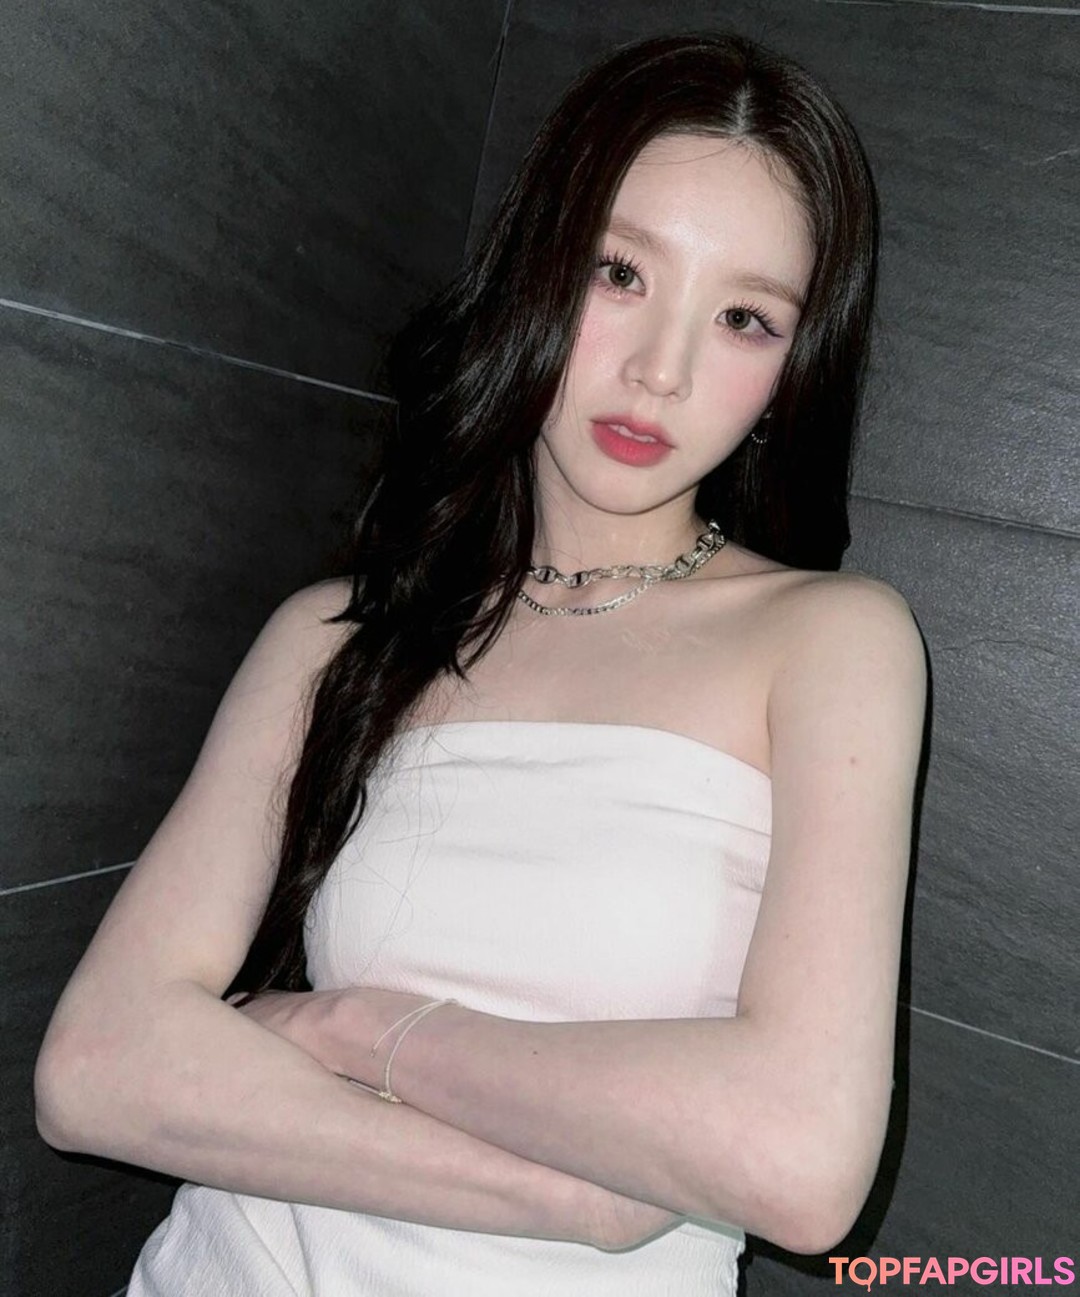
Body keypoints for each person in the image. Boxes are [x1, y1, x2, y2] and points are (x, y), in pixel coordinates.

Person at [34, 30, 927, 1297]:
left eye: (743, 317)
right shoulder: (339, 635)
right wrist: (563, 1198)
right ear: (534, 270)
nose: (661, 369)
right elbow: (93, 1069)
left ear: (793, 369)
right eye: (619, 270)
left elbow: (801, 1158)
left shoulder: (834, 642)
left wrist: (359, 1026)